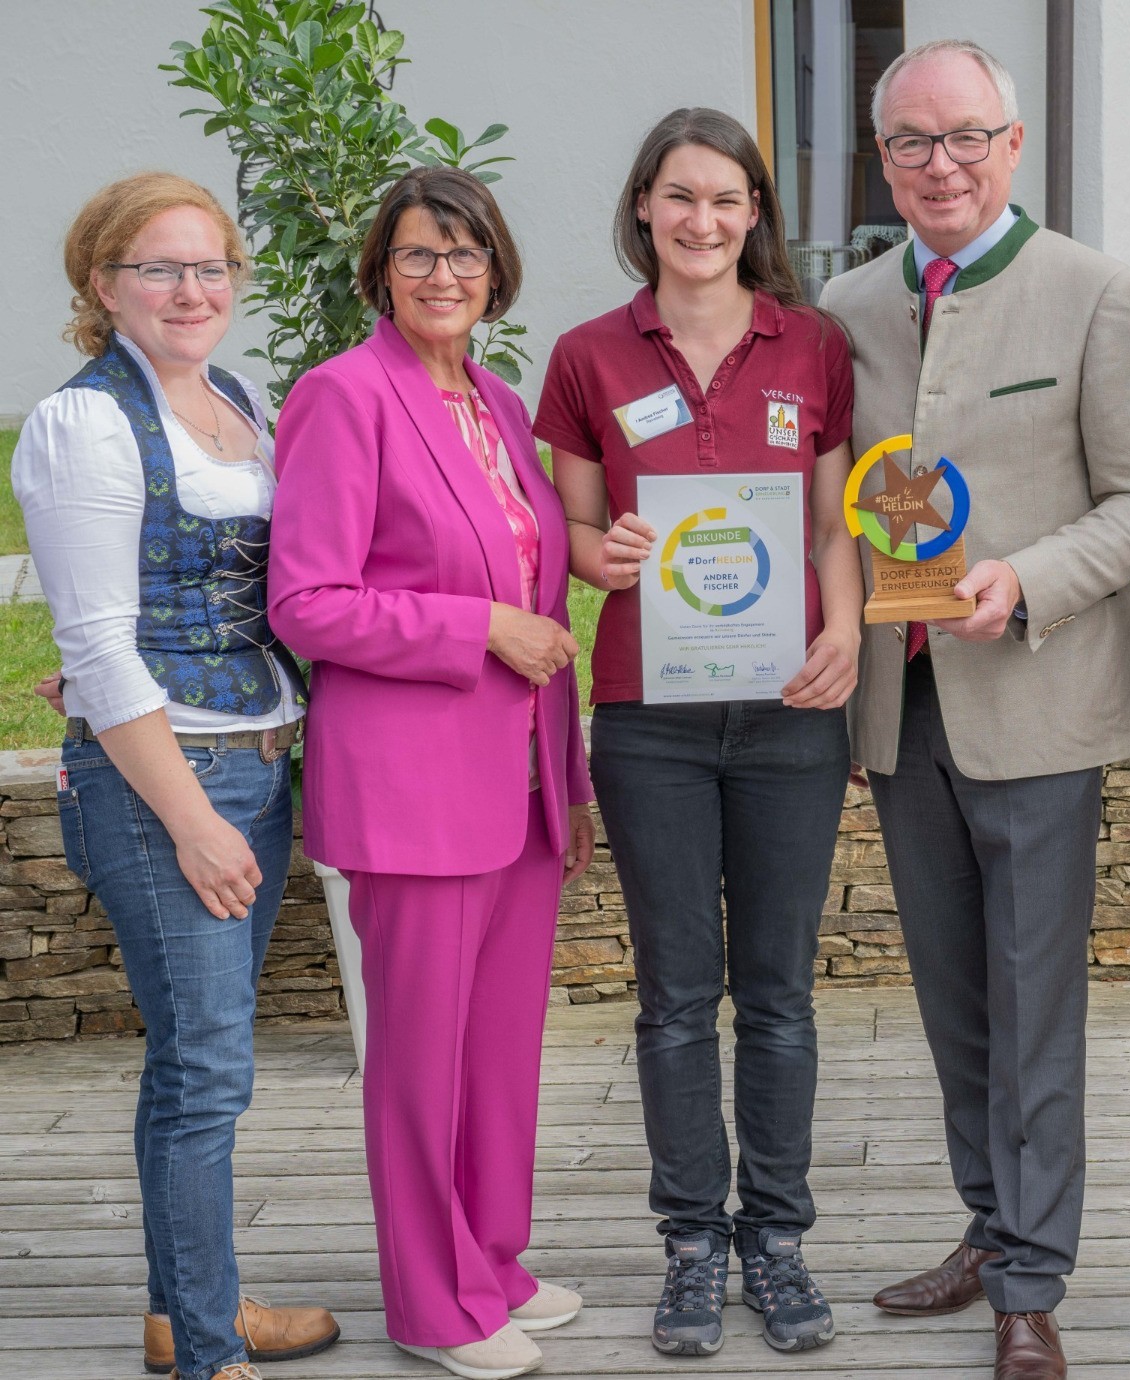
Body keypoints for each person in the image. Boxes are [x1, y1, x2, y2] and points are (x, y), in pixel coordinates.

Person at [819, 39, 1130, 1380]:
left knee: (1034, 1004)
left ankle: (1032, 1283)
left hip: (1036, 704)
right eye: (912, 141)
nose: (941, 164)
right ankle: (990, 1225)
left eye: (966, 135)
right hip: (898, 713)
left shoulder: (1098, 294)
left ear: (1014, 145)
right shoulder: (848, 308)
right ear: (883, 161)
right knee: (954, 999)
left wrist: (1024, 580)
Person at [532, 107, 861, 1358]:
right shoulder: (585, 356)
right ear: (643, 209)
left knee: (777, 994)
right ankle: (688, 1243)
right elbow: (567, 535)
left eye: (726, 201)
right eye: (681, 198)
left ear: (755, 215)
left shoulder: (812, 344)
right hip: (650, 725)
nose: (703, 222)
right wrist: (600, 553)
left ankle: (775, 1242)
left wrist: (846, 629)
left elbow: (832, 525)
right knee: (675, 996)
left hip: (787, 717)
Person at [267, 166, 596, 1380]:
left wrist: (566, 770)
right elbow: (307, 601)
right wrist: (476, 631)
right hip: (413, 788)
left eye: (463, 257)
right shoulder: (344, 398)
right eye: (417, 256)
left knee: (498, 1050)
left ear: (495, 271)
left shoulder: (500, 405)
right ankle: (430, 1300)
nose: (443, 277)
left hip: (516, 777)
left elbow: (533, 573)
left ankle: (491, 1261)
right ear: (380, 273)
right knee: (420, 1060)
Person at [12, 173, 339, 1380]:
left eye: (211, 267)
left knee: (197, 1062)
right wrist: (194, 819)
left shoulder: (235, 399)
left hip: (254, 760)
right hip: (172, 789)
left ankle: (184, 1309)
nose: (192, 290)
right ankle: (211, 1352)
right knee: (209, 1072)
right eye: (160, 268)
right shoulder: (84, 422)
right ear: (103, 286)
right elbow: (96, 642)